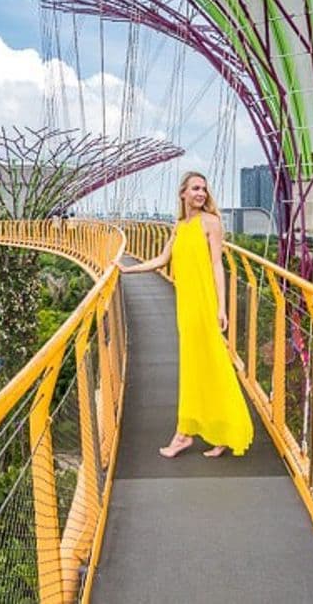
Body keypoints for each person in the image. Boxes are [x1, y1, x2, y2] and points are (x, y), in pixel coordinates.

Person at [119, 171, 254, 458]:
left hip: (203, 306)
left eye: (203, 189)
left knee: (209, 364)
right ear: (183, 193)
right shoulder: (179, 226)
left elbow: (218, 265)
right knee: (199, 366)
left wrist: (221, 307)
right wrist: (128, 269)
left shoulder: (211, 222)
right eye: (195, 189)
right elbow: (162, 260)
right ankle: (217, 433)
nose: (200, 194)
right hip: (186, 305)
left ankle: (188, 434)